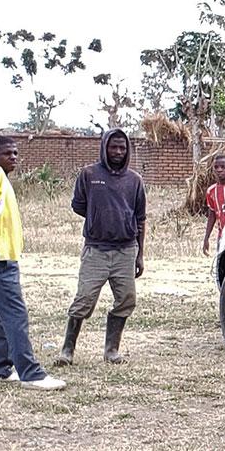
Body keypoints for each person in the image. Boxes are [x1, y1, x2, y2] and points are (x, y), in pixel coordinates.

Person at [0, 136, 64, 390]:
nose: (13, 157)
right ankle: (30, 373)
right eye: (6, 153)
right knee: (15, 314)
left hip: (2, 256)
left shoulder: (2, 179)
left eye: (15, 153)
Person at [57, 128, 147, 367]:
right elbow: (78, 206)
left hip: (126, 250)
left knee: (127, 299)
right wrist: (98, 216)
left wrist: (140, 255)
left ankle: (111, 349)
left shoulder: (135, 180)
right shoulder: (88, 174)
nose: (118, 151)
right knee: (84, 300)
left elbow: (141, 219)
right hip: (96, 249)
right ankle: (67, 350)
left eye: (122, 147)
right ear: (104, 147)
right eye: (113, 146)